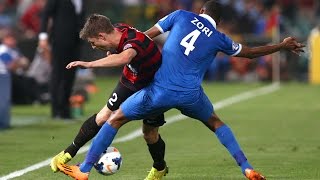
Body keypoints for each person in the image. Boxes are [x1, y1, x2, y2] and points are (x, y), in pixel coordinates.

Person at [58, 1, 305, 180]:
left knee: (116, 118)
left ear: (202, 11)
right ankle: (246, 167)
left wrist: (125, 51)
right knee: (217, 123)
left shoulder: (180, 16)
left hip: (160, 89)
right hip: (191, 95)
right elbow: (249, 53)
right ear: (216, 20)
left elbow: (144, 38)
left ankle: (84, 169)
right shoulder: (220, 38)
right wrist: (282, 45)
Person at [50, 14, 168, 179]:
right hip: (130, 80)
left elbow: (125, 57)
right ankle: (67, 153)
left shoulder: (134, 42)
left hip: (152, 87)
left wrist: (89, 64)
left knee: (149, 133)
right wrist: (111, 50)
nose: (92, 47)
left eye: (93, 43)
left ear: (101, 36)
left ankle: (159, 168)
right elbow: (119, 50)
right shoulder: (117, 29)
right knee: (103, 116)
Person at [39, 0, 85, 119]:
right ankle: (56, 110)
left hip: (76, 42)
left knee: (70, 75)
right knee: (58, 74)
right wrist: (43, 37)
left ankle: (65, 110)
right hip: (60, 40)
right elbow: (46, 14)